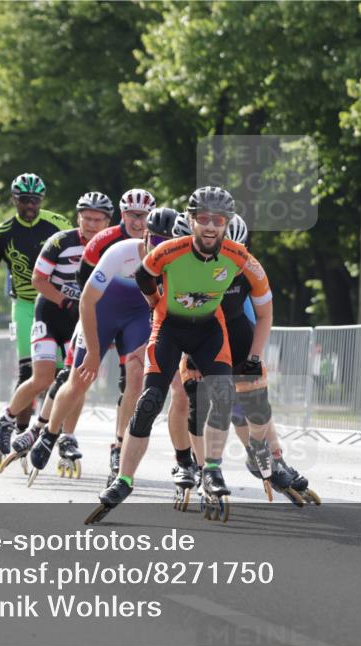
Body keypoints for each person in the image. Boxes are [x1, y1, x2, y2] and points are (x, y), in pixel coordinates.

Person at [85, 186, 272, 525]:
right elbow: (144, 276)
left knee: (222, 395)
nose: (211, 226)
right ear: (191, 220)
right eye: (203, 219)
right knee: (150, 401)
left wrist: (256, 355)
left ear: (227, 223)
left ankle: (211, 470)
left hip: (209, 331)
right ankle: (123, 481)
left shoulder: (240, 256)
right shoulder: (169, 251)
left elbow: (265, 311)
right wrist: (156, 303)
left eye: (219, 220)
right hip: (169, 328)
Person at [171, 213, 317, 506]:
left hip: (238, 332)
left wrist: (253, 358)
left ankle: (270, 457)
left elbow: (263, 316)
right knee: (198, 400)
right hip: (197, 336)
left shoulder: (249, 267)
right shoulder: (183, 267)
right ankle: (202, 471)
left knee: (251, 402)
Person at [26, 203, 171, 487]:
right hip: (101, 311)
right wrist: (93, 352)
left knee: (136, 378)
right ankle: (51, 433)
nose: (159, 249)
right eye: (155, 241)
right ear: (145, 237)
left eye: (166, 244)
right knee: (80, 378)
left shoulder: (173, 259)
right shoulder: (121, 252)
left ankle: (119, 446)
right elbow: (88, 299)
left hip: (138, 317)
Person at [0, 191, 114, 475]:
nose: (91, 225)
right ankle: (7, 419)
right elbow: (38, 279)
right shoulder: (61, 241)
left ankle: (67, 437)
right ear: (78, 218)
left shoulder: (113, 246)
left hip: (83, 318)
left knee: (78, 377)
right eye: (86, 219)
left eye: (98, 220)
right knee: (43, 377)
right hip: (51, 311)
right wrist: (64, 300)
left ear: (108, 221)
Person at [0, 173, 72, 461]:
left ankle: (58, 433)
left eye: (35, 200)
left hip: (59, 302)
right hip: (27, 304)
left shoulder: (58, 224)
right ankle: (20, 430)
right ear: (13, 199)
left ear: (42, 200)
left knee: (61, 374)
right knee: (29, 372)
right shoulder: (1, 233)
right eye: (24, 199)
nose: (30, 205)